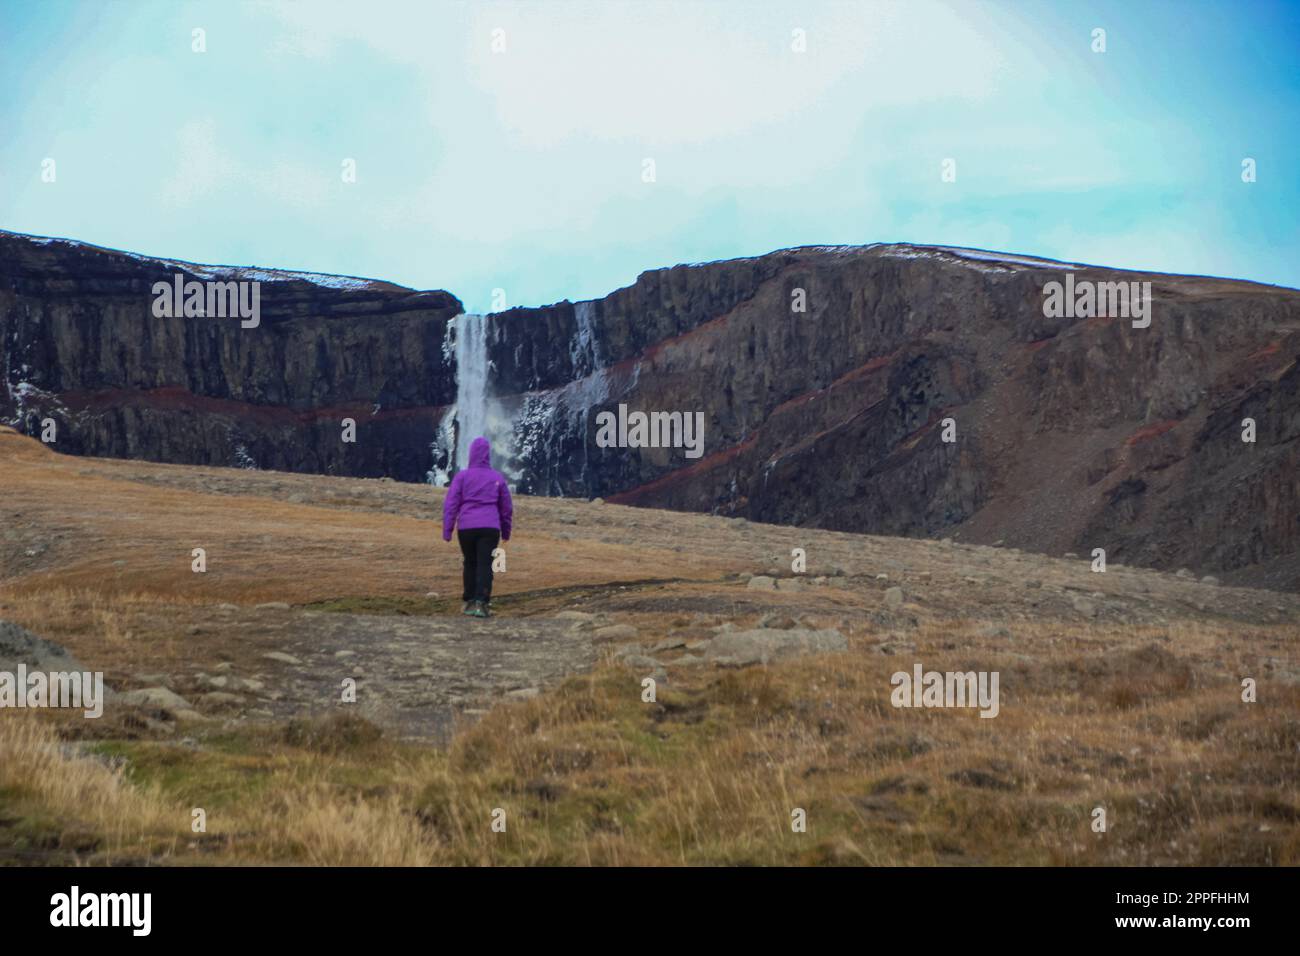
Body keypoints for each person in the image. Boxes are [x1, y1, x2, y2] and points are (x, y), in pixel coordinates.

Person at [442, 436, 513, 618]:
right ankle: (482, 603)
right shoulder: (497, 478)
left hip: (466, 528)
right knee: (485, 564)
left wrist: (448, 530)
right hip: (490, 528)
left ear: (471, 454)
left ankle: (469, 601)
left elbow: (451, 504)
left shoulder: (462, 477)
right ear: (487, 455)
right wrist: (506, 531)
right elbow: (506, 508)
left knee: (470, 563)